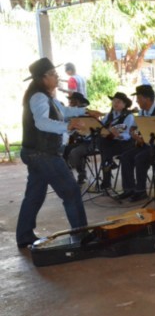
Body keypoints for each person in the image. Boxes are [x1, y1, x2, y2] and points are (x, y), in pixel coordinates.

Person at [16, 58, 100, 248]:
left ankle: (24, 235)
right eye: (53, 74)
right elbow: (42, 122)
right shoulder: (38, 97)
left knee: (34, 196)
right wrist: (67, 125)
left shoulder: (46, 97)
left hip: (35, 153)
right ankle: (81, 235)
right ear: (42, 78)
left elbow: (63, 110)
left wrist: (86, 111)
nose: (57, 77)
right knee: (71, 192)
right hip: (44, 154)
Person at [116, 85, 155, 203]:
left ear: (147, 99)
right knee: (125, 156)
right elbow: (134, 126)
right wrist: (133, 133)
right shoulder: (142, 111)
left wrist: (142, 138)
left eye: (139, 98)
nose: (137, 101)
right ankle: (129, 189)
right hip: (145, 145)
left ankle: (141, 191)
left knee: (140, 158)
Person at [97, 92, 135, 190]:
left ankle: (107, 181)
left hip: (124, 144)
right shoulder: (110, 115)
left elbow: (127, 135)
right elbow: (101, 126)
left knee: (105, 149)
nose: (115, 103)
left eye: (118, 102)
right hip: (110, 144)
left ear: (124, 104)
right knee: (102, 142)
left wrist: (117, 136)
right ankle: (109, 166)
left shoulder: (128, 116)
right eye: (114, 101)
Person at [63, 92, 92, 184]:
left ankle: (81, 174)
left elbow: (91, 131)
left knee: (75, 153)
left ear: (78, 102)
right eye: (70, 102)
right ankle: (69, 177)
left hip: (89, 141)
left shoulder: (86, 113)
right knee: (62, 151)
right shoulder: (71, 114)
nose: (70, 103)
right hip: (77, 141)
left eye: (72, 102)